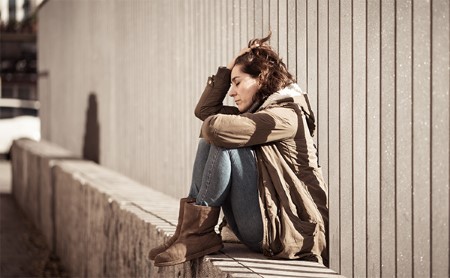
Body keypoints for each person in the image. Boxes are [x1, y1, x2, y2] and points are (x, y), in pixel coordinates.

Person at [148, 32, 329, 267]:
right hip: (263, 221)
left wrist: (217, 125)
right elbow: (205, 111)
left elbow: (213, 126)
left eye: (237, 83)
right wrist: (229, 68)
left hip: (288, 229)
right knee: (213, 139)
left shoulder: (285, 117)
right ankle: (188, 234)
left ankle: (197, 234)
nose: (232, 92)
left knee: (223, 140)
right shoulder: (260, 112)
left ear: (262, 79)